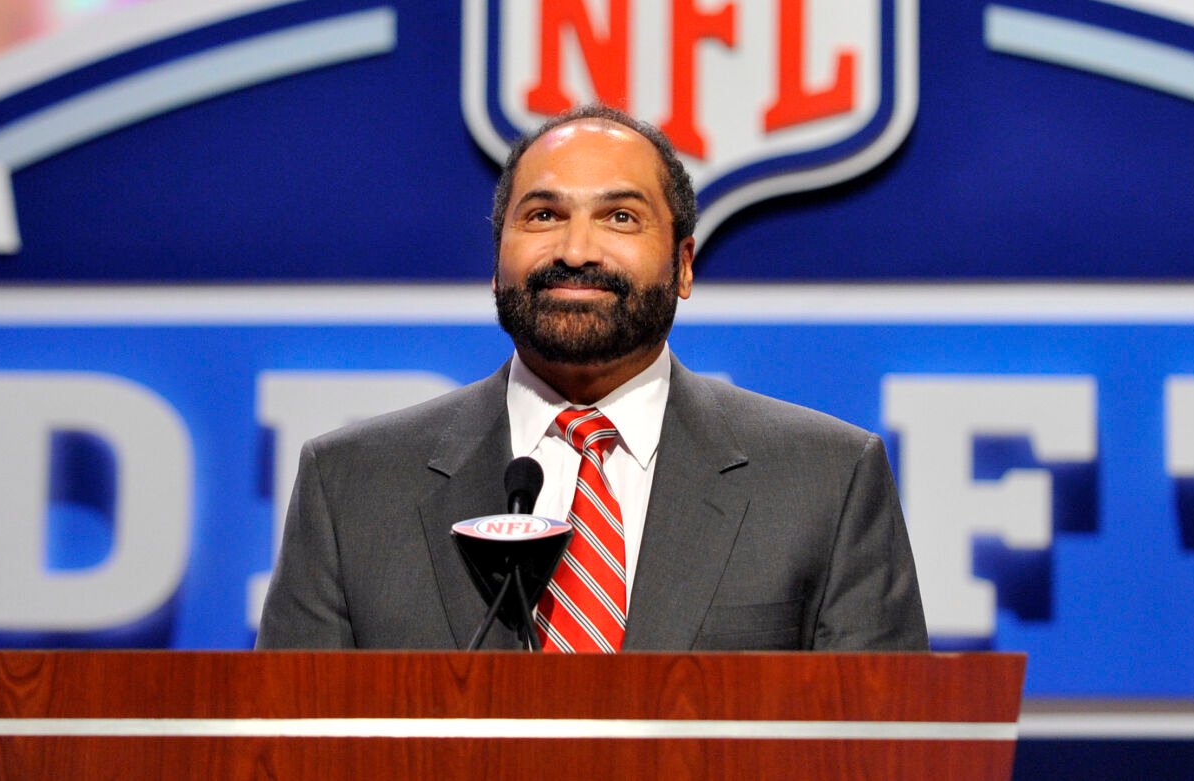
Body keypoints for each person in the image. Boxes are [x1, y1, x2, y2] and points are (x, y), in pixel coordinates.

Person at [256, 103, 927, 651]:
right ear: (497, 261)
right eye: (543, 215)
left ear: (683, 264)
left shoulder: (824, 479)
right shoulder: (349, 484)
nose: (576, 251)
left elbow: (883, 750)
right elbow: (280, 749)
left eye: (620, 217)